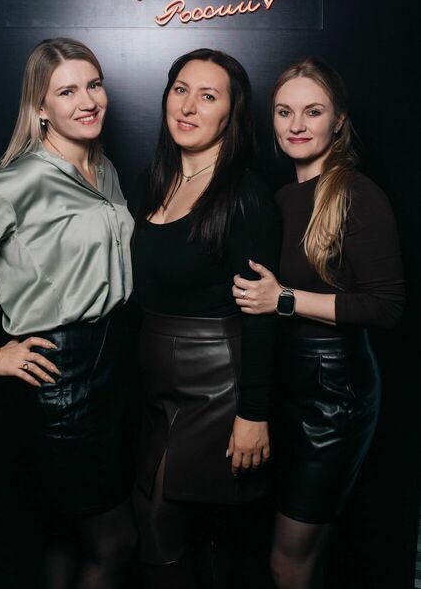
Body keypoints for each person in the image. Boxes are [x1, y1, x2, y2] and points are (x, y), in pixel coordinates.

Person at [0, 38, 136, 589]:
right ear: (40, 107)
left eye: (94, 85)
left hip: (114, 367)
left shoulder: (103, 168)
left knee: (65, 535)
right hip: (62, 377)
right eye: (67, 91)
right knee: (114, 542)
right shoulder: (18, 183)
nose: (87, 101)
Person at [232, 57, 405, 589]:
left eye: (313, 111)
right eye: (285, 112)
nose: (297, 125)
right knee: (288, 553)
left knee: (289, 562)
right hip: (288, 383)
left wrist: (283, 300)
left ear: (338, 121)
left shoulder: (356, 193)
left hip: (335, 394)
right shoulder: (281, 198)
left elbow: (386, 307)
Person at [131, 48, 280, 587]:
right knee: (157, 529)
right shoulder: (152, 180)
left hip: (217, 386)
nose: (188, 106)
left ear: (230, 114)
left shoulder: (245, 196)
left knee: (165, 528)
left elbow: (261, 314)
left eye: (208, 96)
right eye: (180, 90)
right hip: (155, 387)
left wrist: (253, 414)